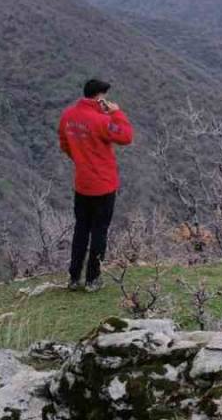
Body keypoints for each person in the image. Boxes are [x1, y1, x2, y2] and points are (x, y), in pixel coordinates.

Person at [58, 78, 135, 292]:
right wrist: (116, 112)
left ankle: (74, 277)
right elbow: (126, 136)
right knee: (99, 232)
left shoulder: (68, 116)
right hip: (103, 185)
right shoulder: (101, 120)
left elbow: (64, 144)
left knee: (81, 230)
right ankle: (93, 279)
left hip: (82, 184)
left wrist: (81, 160)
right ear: (100, 97)